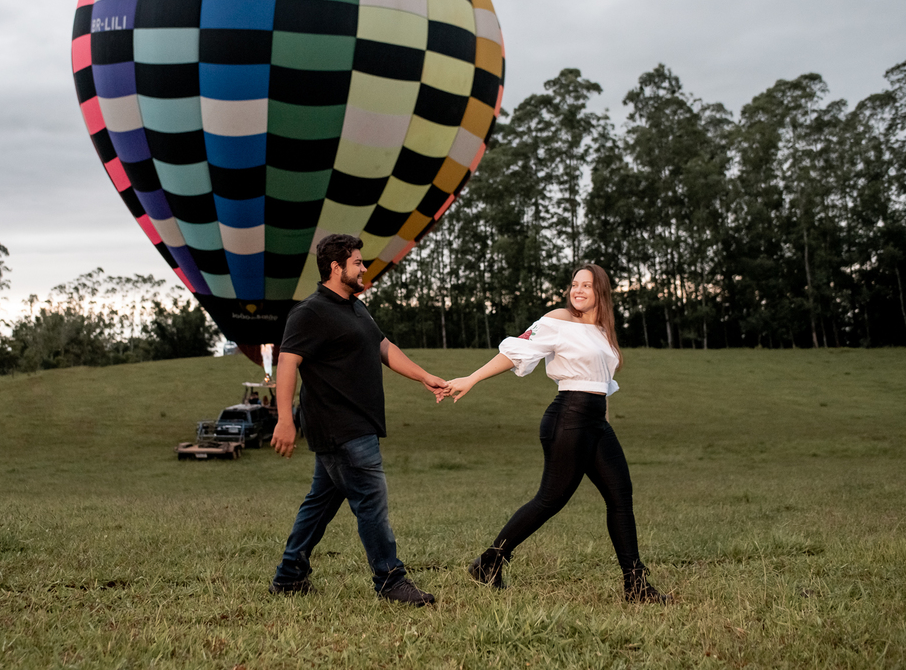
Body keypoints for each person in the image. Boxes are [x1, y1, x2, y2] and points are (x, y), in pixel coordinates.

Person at [445, 264, 671, 603]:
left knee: (621, 496)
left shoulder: (601, 329)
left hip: (596, 422)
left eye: (587, 285)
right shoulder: (558, 319)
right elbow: (515, 351)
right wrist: (471, 378)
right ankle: (489, 560)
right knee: (550, 499)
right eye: (574, 284)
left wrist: (604, 423)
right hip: (567, 418)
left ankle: (635, 585)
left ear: (601, 293)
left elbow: (600, 384)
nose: (577, 290)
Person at [269, 234, 447, 606]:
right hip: (340, 426)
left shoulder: (354, 306)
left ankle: (289, 576)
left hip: (358, 424)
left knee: (320, 503)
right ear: (336, 268)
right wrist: (285, 419)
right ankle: (390, 580)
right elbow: (287, 362)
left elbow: (383, 347)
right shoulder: (310, 312)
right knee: (371, 501)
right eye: (358, 262)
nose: (364, 268)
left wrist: (424, 376)